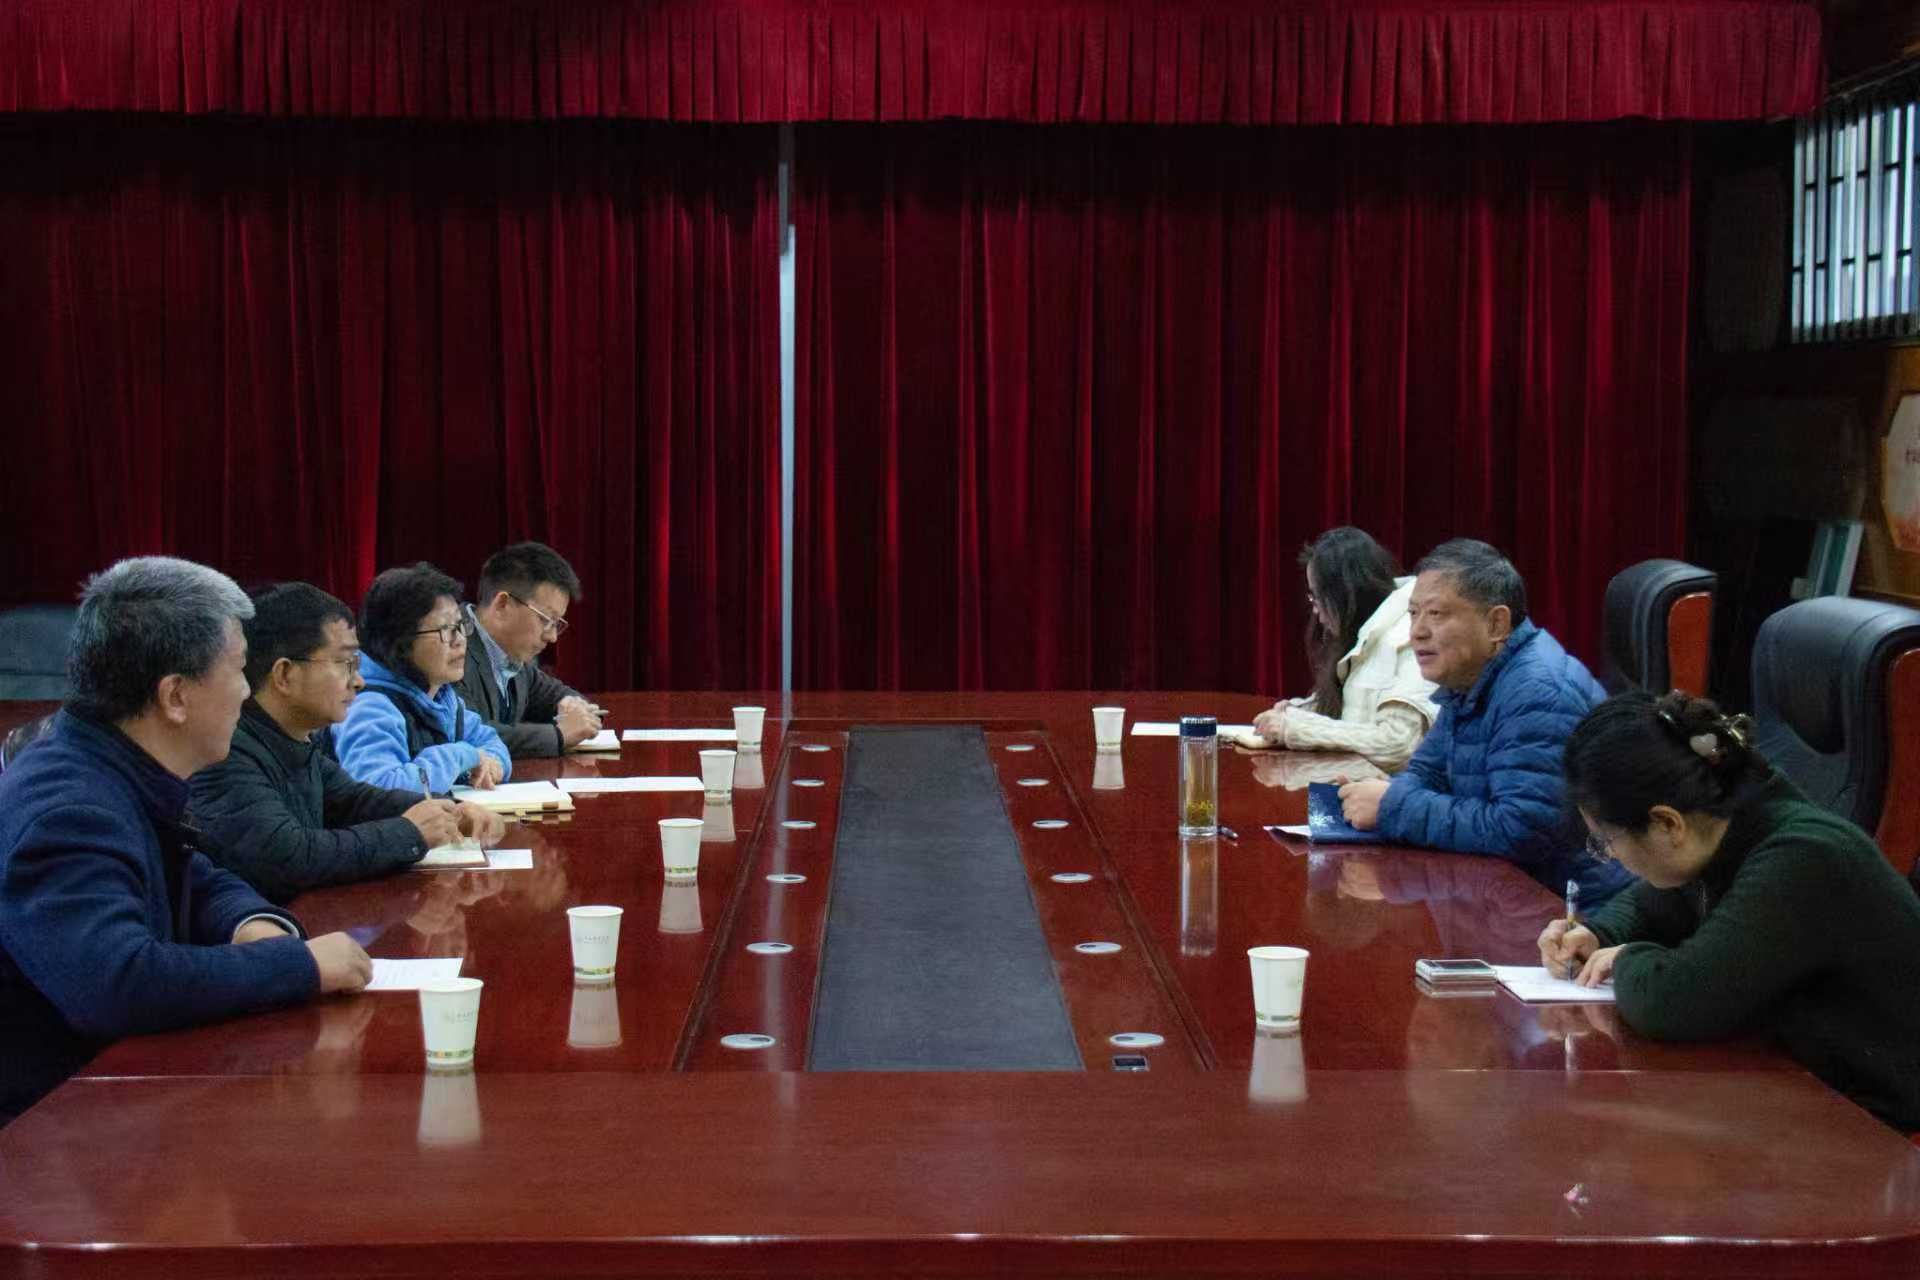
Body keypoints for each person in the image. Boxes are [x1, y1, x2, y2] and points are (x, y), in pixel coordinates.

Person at [0, 558, 371, 1125]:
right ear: (175, 695)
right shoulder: (69, 809)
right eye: (239, 670)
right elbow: (119, 984)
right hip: (58, 1129)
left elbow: (190, 873)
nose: (247, 693)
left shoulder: (114, 765)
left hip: (122, 1100)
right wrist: (297, 966)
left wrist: (248, 923)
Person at [1540, 690, 1920, 1134]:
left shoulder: (1802, 858)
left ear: (1667, 824)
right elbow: (1649, 904)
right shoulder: (1723, 825)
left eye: (1606, 842)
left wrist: (1625, 960)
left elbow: (1677, 1001)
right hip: (1798, 1092)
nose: (1610, 856)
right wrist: (1597, 935)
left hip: (1880, 1131)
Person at [1335, 539, 1634, 905]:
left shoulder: (1537, 692)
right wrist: (1383, 796)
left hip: (1567, 910)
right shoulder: (1470, 678)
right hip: (1497, 895)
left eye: (1436, 614)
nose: (1417, 632)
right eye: (1413, 613)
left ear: (1496, 624)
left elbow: (1522, 830)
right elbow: (1427, 774)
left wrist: (1393, 806)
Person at [189, 583, 505, 905]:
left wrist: (450, 811)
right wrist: (410, 832)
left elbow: (357, 801)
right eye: (345, 664)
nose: (359, 680)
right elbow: (288, 857)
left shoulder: (294, 741)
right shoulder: (224, 752)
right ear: (284, 674)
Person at [1249, 527, 1437, 769]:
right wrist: (1297, 712)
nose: (1315, 610)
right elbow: (1354, 708)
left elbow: (1399, 744)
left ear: (1345, 594)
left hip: (1382, 789)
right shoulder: (1369, 632)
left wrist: (1295, 729)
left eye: (1316, 597)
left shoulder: (1411, 637)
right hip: (1348, 781)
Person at [332, 564, 512, 793]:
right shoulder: (368, 706)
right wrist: (463, 755)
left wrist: (488, 765)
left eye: (460, 626)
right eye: (445, 630)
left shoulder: (442, 697)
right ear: (400, 641)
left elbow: (491, 744)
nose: (459, 640)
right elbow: (380, 789)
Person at [456, 542, 601, 758]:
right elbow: (465, 734)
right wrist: (559, 735)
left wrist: (573, 705)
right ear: (502, 604)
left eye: (557, 623)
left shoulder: (513, 653)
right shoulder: (450, 646)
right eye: (546, 620)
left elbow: (552, 694)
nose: (552, 637)